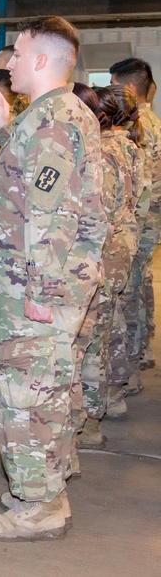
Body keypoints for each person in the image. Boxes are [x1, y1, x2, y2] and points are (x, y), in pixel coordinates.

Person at [0, 16, 106, 541]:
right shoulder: (57, 114)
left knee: (25, 393)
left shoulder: (52, 121)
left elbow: (52, 216)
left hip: (39, 285)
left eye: (17, 54)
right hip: (42, 280)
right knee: (46, 386)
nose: (9, 64)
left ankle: (40, 505)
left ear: (42, 61)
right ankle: (43, 485)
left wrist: (41, 290)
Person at [72, 85, 140, 448]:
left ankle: (91, 421)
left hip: (105, 249)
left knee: (92, 337)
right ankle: (112, 394)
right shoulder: (129, 145)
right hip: (122, 244)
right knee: (111, 324)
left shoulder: (105, 150)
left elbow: (102, 212)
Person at [110, 58, 161, 380]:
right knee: (140, 284)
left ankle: (126, 365)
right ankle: (142, 348)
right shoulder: (153, 120)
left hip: (138, 218)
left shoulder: (134, 126)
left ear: (128, 88)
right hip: (151, 217)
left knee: (127, 291)